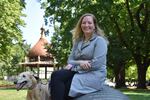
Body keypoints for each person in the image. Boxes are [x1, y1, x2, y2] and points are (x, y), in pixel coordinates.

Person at [49, 13, 108, 100]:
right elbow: (70, 60)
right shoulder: (78, 41)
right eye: (83, 23)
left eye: (89, 23)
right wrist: (81, 62)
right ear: (80, 25)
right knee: (56, 75)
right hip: (79, 71)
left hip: (94, 75)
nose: (86, 25)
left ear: (94, 26)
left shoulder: (100, 41)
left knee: (66, 86)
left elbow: (97, 64)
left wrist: (74, 67)